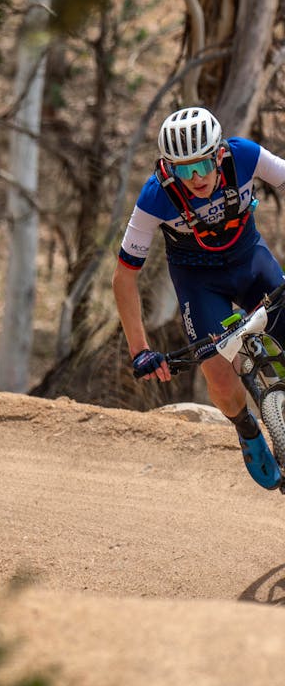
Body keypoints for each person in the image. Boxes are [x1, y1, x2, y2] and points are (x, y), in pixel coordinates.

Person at [112, 106, 285, 491]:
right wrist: (140, 350)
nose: (196, 178)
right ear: (167, 167)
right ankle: (246, 427)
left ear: (219, 153)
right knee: (221, 380)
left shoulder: (245, 155)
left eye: (203, 164)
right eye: (183, 169)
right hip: (198, 282)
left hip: (250, 261)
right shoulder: (155, 197)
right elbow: (124, 277)